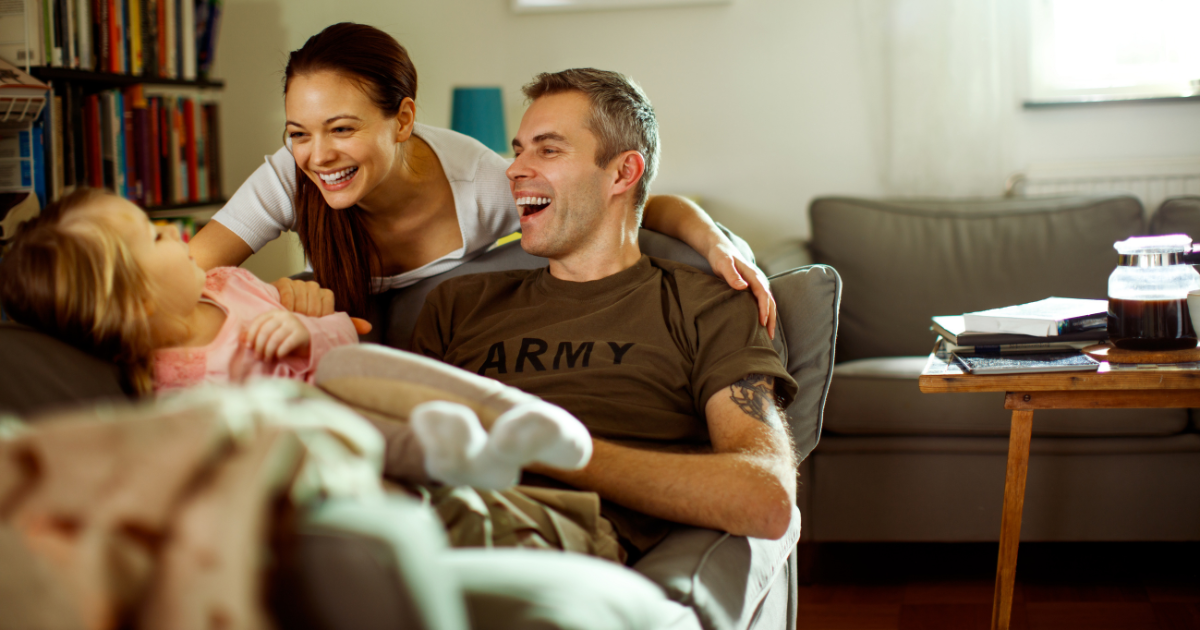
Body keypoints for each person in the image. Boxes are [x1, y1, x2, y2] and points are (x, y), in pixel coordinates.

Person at [410, 68, 799, 561]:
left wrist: (555, 450)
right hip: (413, 507)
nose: (514, 168)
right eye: (519, 148)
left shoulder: (703, 304)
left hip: (540, 528)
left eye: (548, 150)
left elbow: (765, 497)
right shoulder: (458, 303)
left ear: (622, 173)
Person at [187, 22, 776, 334]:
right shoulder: (288, 176)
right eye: (298, 132)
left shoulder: (482, 185)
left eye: (342, 129)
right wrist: (271, 300)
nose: (317, 155)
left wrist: (715, 241)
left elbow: (623, 202)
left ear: (404, 119)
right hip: (331, 335)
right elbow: (187, 274)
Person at [0, 188, 594, 492]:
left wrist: (306, 331)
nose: (168, 229)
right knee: (310, 407)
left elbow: (346, 341)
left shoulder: (229, 284)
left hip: (352, 380)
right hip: (328, 444)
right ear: (133, 302)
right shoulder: (170, 384)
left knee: (347, 371)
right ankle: (455, 458)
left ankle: (520, 416)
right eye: (149, 238)